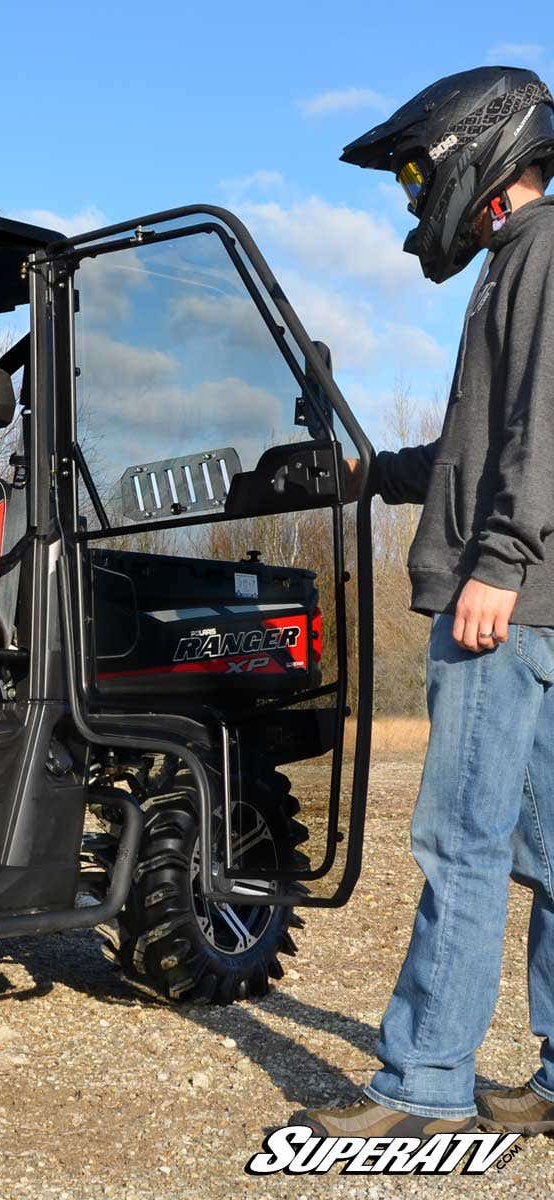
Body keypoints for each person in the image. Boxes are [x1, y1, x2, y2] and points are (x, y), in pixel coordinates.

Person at [296, 65, 554, 1138]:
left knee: (459, 840)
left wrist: (497, 560)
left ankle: (424, 1088)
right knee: (548, 852)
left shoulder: (541, 254)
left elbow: (546, 425)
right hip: (535, 600)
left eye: (415, 172)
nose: (412, 198)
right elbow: (479, 444)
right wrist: (372, 476)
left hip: (506, 603)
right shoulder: (519, 261)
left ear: (476, 150)